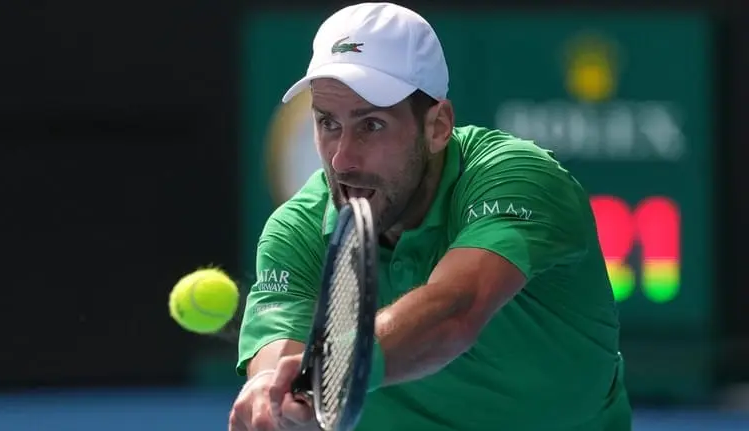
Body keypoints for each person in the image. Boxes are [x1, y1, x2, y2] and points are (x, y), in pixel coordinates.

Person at [229, 2, 632, 431]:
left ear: (438, 126)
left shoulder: (517, 178)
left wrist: (335, 364)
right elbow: (278, 358)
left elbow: (456, 309)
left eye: (371, 125)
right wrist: (273, 394)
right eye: (328, 123)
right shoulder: (297, 230)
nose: (342, 159)